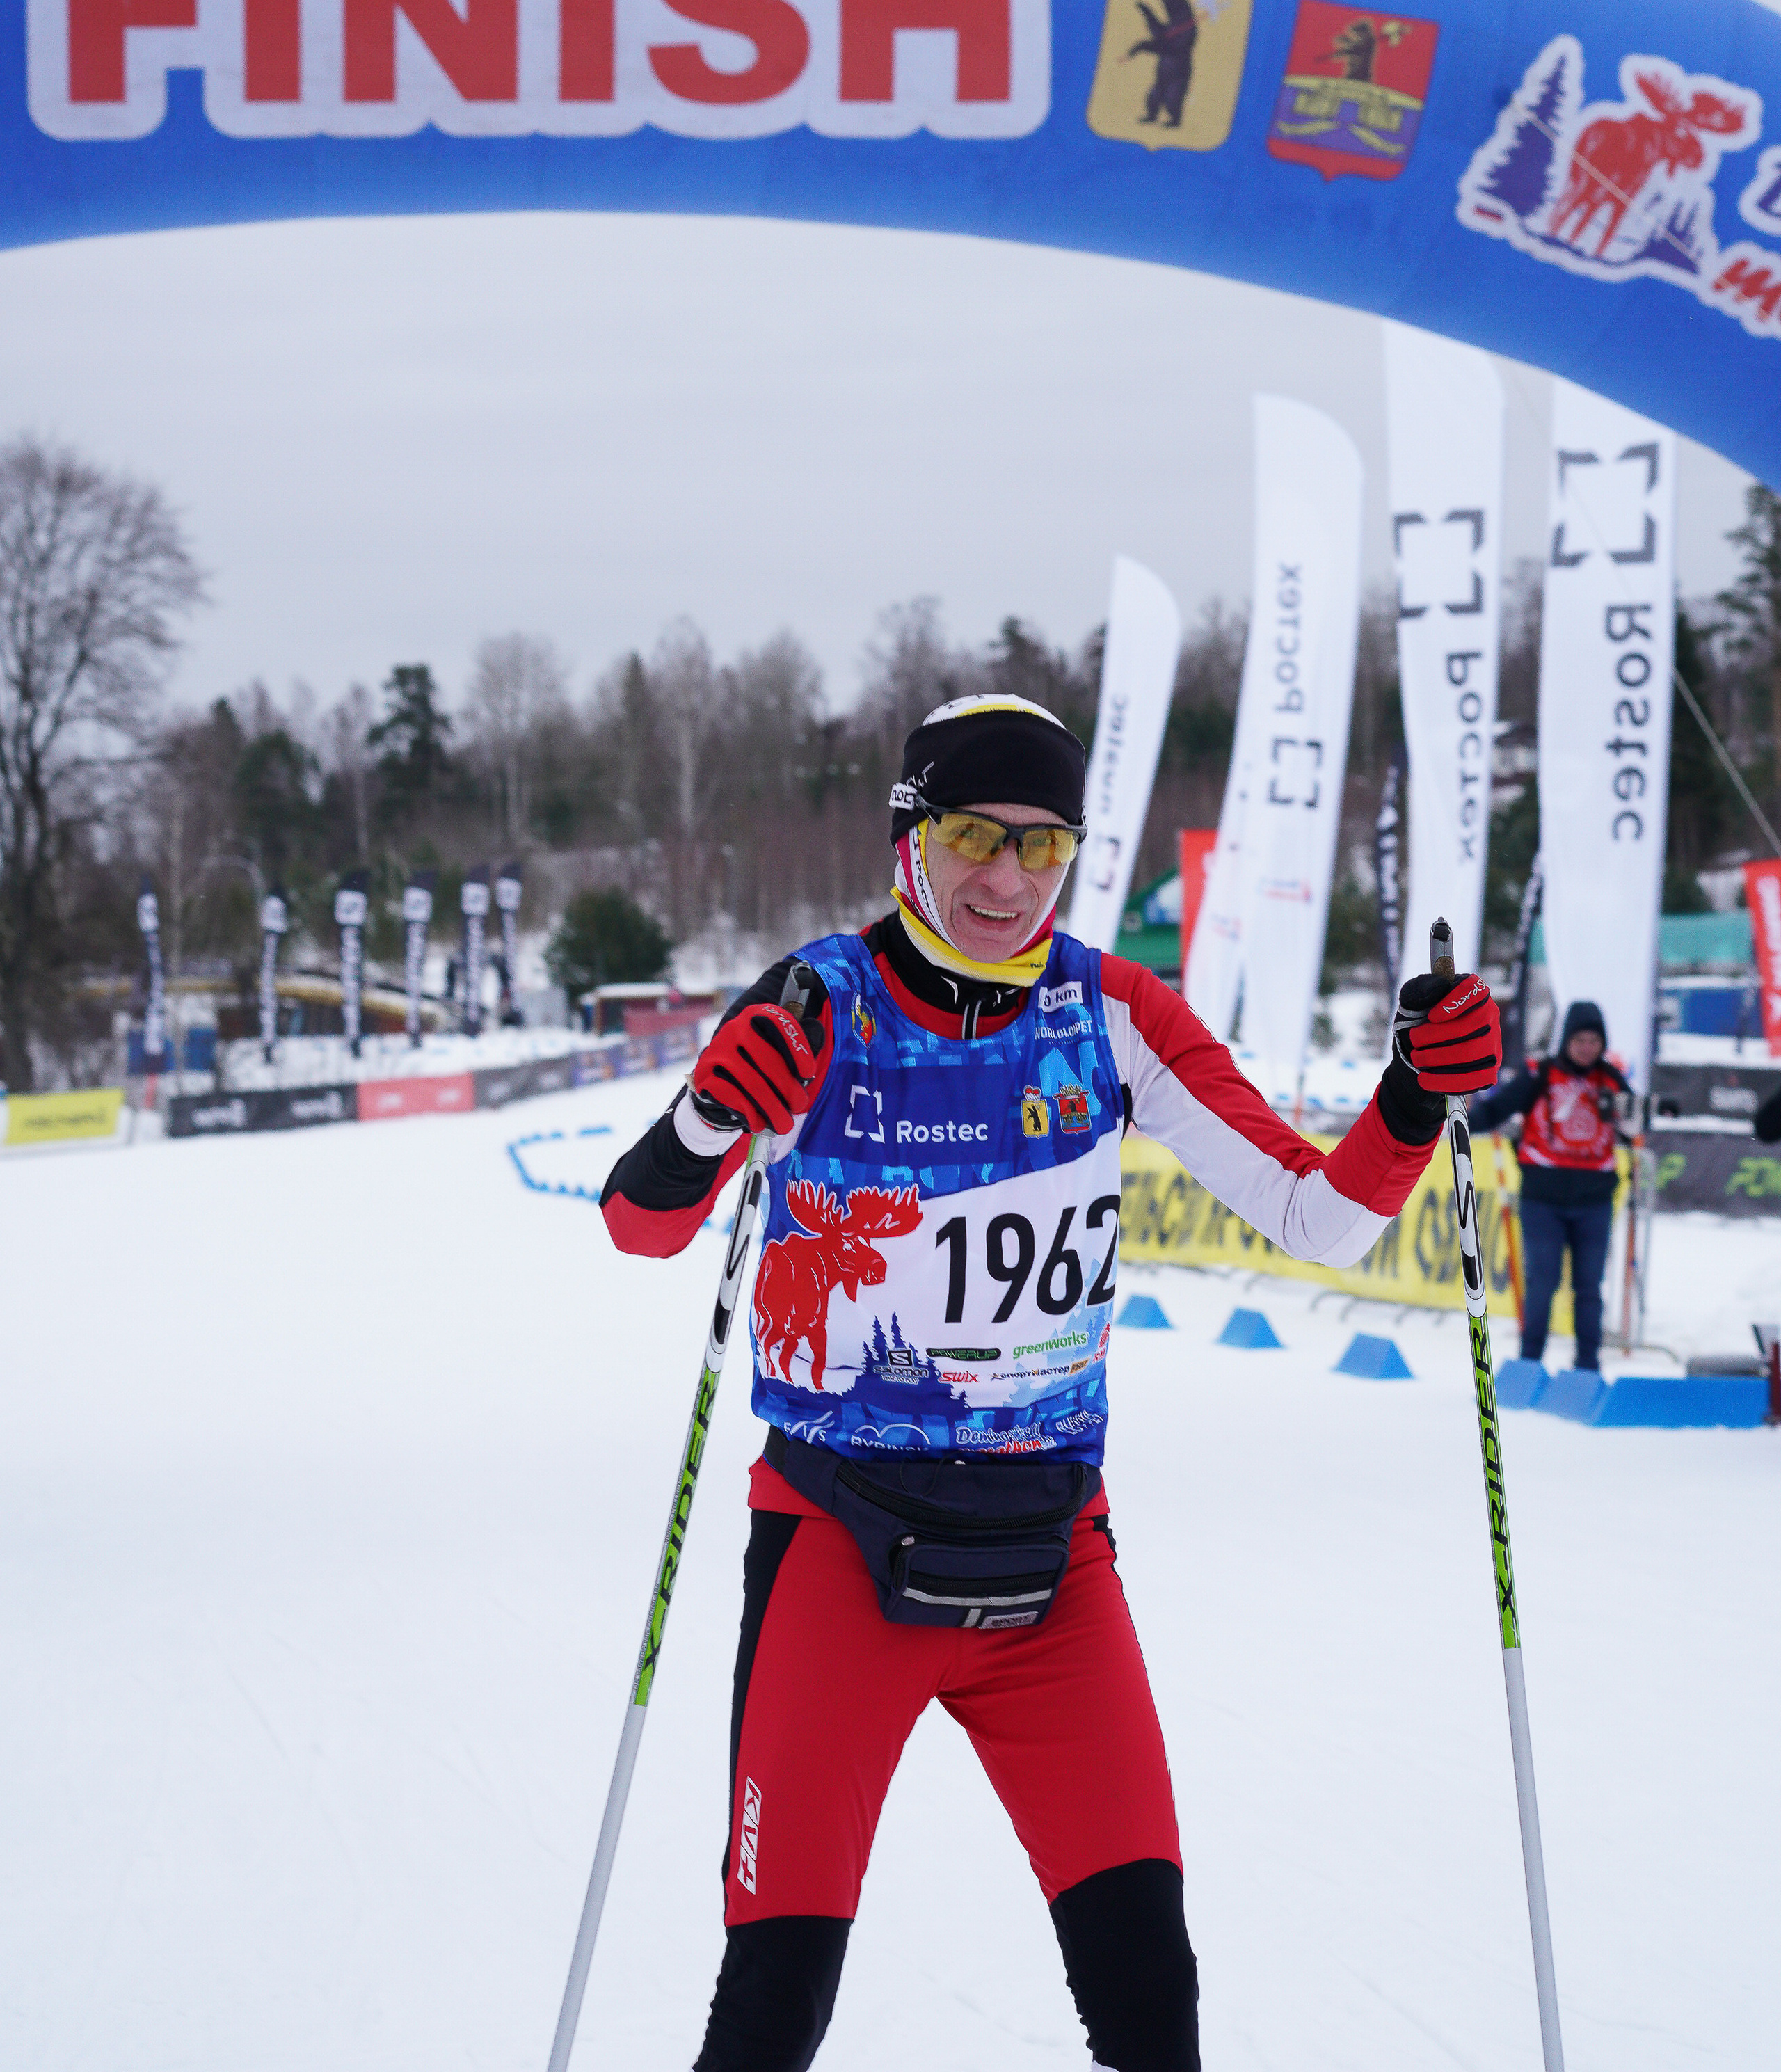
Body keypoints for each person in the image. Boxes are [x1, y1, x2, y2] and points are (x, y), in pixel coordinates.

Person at [600, 695, 1502, 2072]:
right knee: (773, 2002)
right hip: (839, 1553)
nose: (1004, 879)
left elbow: (1317, 1216)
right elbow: (640, 1226)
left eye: (1042, 846)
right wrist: (710, 1115)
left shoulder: (1108, 1008)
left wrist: (1410, 1095)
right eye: (971, 834)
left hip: (1050, 1572)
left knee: (1149, 1996)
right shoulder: (816, 1003)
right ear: (909, 833)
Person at [1470, 999, 1633, 1374]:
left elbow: (1635, 1123)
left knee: (1589, 1286)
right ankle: (1530, 1362)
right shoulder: (1540, 1074)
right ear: (1566, 1040)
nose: (1587, 1048)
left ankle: (1587, 1365)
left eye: (1594, 1040)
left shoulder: (1611, 1079)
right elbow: (1498, 1109)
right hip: (1543, 1198)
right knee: (1543, 1281)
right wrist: (1459, 1122)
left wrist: (1636, 1126)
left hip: (1594, 1199)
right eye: (1580, 1039)